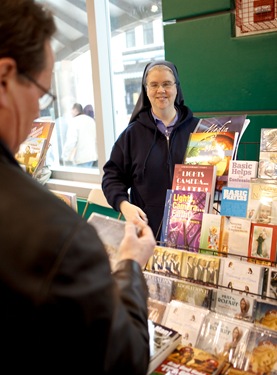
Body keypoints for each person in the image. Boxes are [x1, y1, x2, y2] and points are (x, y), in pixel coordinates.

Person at [0, 1, 156, 373]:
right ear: (5, 76)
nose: (39, 111)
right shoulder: (56, 236)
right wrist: (131, 264)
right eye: (40, 93)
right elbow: (123, 359)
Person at [102, 60, 199, 239]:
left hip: (192, 233)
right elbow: (112, 178)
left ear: (176, 88)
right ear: (146, 90)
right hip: (147, 232)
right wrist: (124, 205)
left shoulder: (200, 131)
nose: (160, 90)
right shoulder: (132, 135)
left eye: (167, 84)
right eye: (154, 85)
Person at [62, 102, 98, 167]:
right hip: (93, 156)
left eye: (71, 110)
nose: (71, 113)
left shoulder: (74, 121)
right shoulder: (91, 120)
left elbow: (71, 141)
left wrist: (65, 156)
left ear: (75, 110)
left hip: (82, 158)